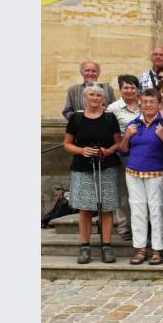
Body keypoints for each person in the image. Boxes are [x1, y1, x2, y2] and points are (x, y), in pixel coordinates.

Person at [63, 83, 122, 264]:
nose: (95, 98)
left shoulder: (110, 118)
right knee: (85, 208)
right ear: (85, 97)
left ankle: (106, 246)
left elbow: (117, 143)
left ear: (103, 99)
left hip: (107, 166)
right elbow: (67, 144)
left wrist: (108, 151)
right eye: (91, 95)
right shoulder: (76, 118)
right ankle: (85, 246)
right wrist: (82, 151)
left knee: (107, 207)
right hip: (83, 166)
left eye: (98, 96)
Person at [119, 89, 163, 265]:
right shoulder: (133, 124)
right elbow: (123, 150)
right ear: (140, 102)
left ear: (159, 104)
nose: (148, 105)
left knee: (157, 209)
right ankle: (140, 249)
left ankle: (157, 249)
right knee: (137, 210)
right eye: (145, 101)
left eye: (152, 101)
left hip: (156, 172)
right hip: (133, 172)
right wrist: (127, 136)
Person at [107, 75, 141, 241]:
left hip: (144, 155)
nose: (129, 91)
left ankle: (141, 226)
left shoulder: (144, 105)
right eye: (126, 87)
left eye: (132, 87)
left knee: (142, 194)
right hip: (123, 156)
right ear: (120, 89)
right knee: (124, 193)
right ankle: (124, 226)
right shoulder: (113, 109)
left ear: (137, 89)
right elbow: (109, 134)